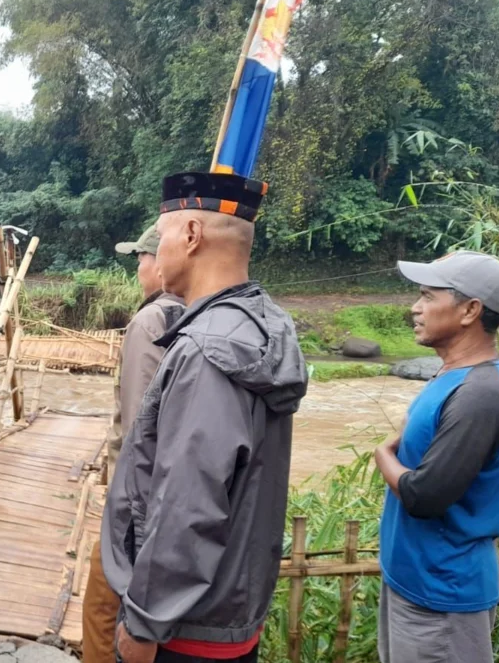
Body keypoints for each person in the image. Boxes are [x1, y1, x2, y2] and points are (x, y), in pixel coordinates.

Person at [105, 172, 308, 663]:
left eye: (165, 232)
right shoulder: (261, 325)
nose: (160, 247)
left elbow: (187, 504)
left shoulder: (207, 351)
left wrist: (143, 622)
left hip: (182, 628)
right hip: (229, 610)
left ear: (191, 235)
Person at [374, 251, 499, 663]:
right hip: (417, 582)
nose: (415, 308)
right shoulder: (451, 375)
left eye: (427, 296)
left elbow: (425, 495)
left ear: (470, 310)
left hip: (442, 599)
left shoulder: (479, 393)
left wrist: (381, 452)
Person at [82, 224, 184, 663]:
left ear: (161, 263)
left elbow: (140, 428)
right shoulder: (199, 313)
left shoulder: (152, 321)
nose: (139, 266)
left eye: (142, 257)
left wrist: (127, 510)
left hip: (137, 499)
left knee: (101, 605)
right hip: (176, 501)